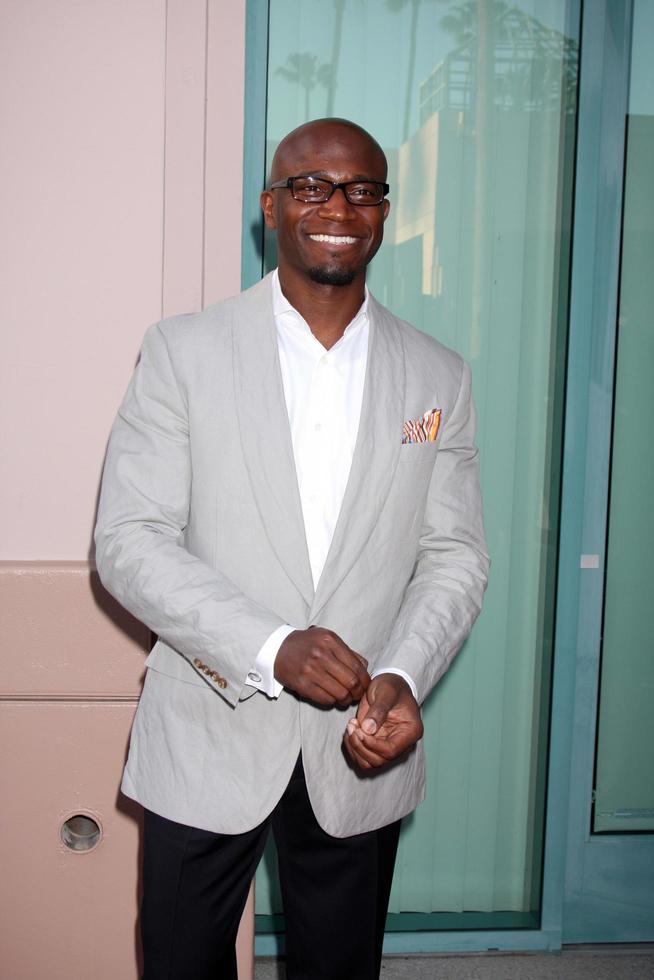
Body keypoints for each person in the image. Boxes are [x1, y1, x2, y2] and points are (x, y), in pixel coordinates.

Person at [95, 117, 489, 980]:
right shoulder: (182, 351)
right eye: (312, 185)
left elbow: (455, 556)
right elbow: (129, 540)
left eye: (363, 188)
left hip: (362, 745)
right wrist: (274, 648)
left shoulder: (438, 376)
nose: (338, 205)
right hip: (206, 732)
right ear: (270, 205)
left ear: (385, 209)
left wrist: (405, 674)